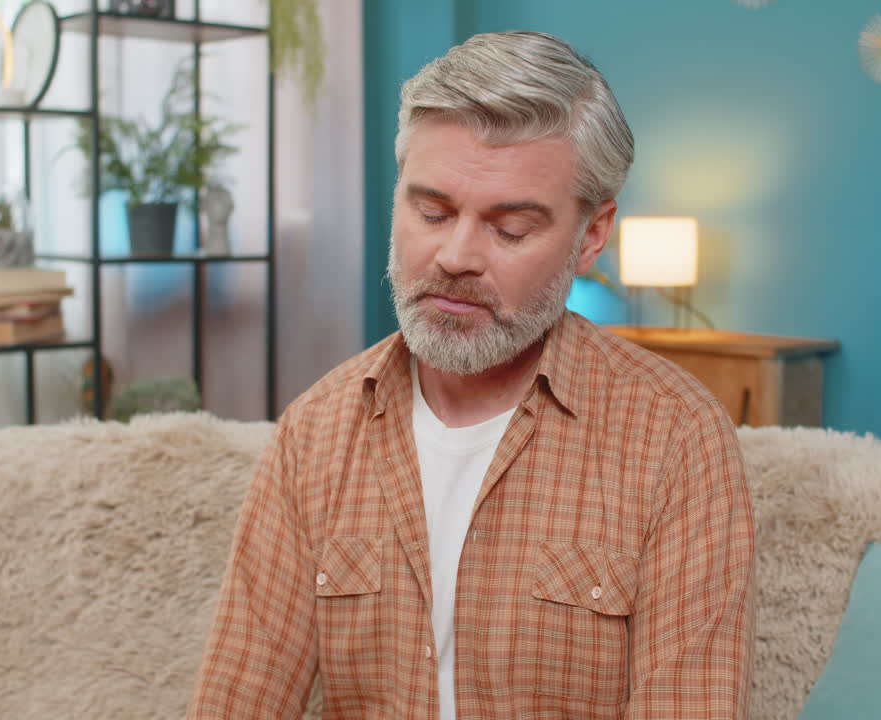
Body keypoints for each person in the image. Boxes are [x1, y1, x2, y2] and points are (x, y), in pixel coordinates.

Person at [186, 30, 754, 720]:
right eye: (431, 211)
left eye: (510, 228)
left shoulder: (675, 439)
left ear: (592, 236)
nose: (455, 255)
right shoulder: (314, 433)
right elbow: (237, 700)